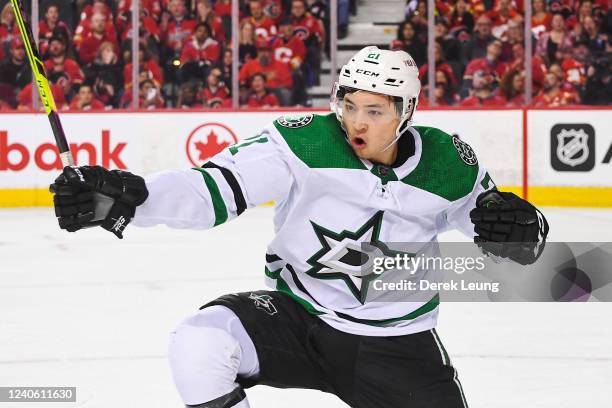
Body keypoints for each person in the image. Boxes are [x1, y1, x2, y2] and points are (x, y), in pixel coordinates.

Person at [49, 45, 550, 407]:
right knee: (200, 342)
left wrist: (528, 232)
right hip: (298, 321)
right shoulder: (303, 142)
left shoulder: (450, 162)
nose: (357, 122)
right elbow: (212, 191)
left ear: (406, 113)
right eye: (349, 105)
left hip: (399, 347)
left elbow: (502, 231)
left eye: (374, 111)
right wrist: (129, 198)